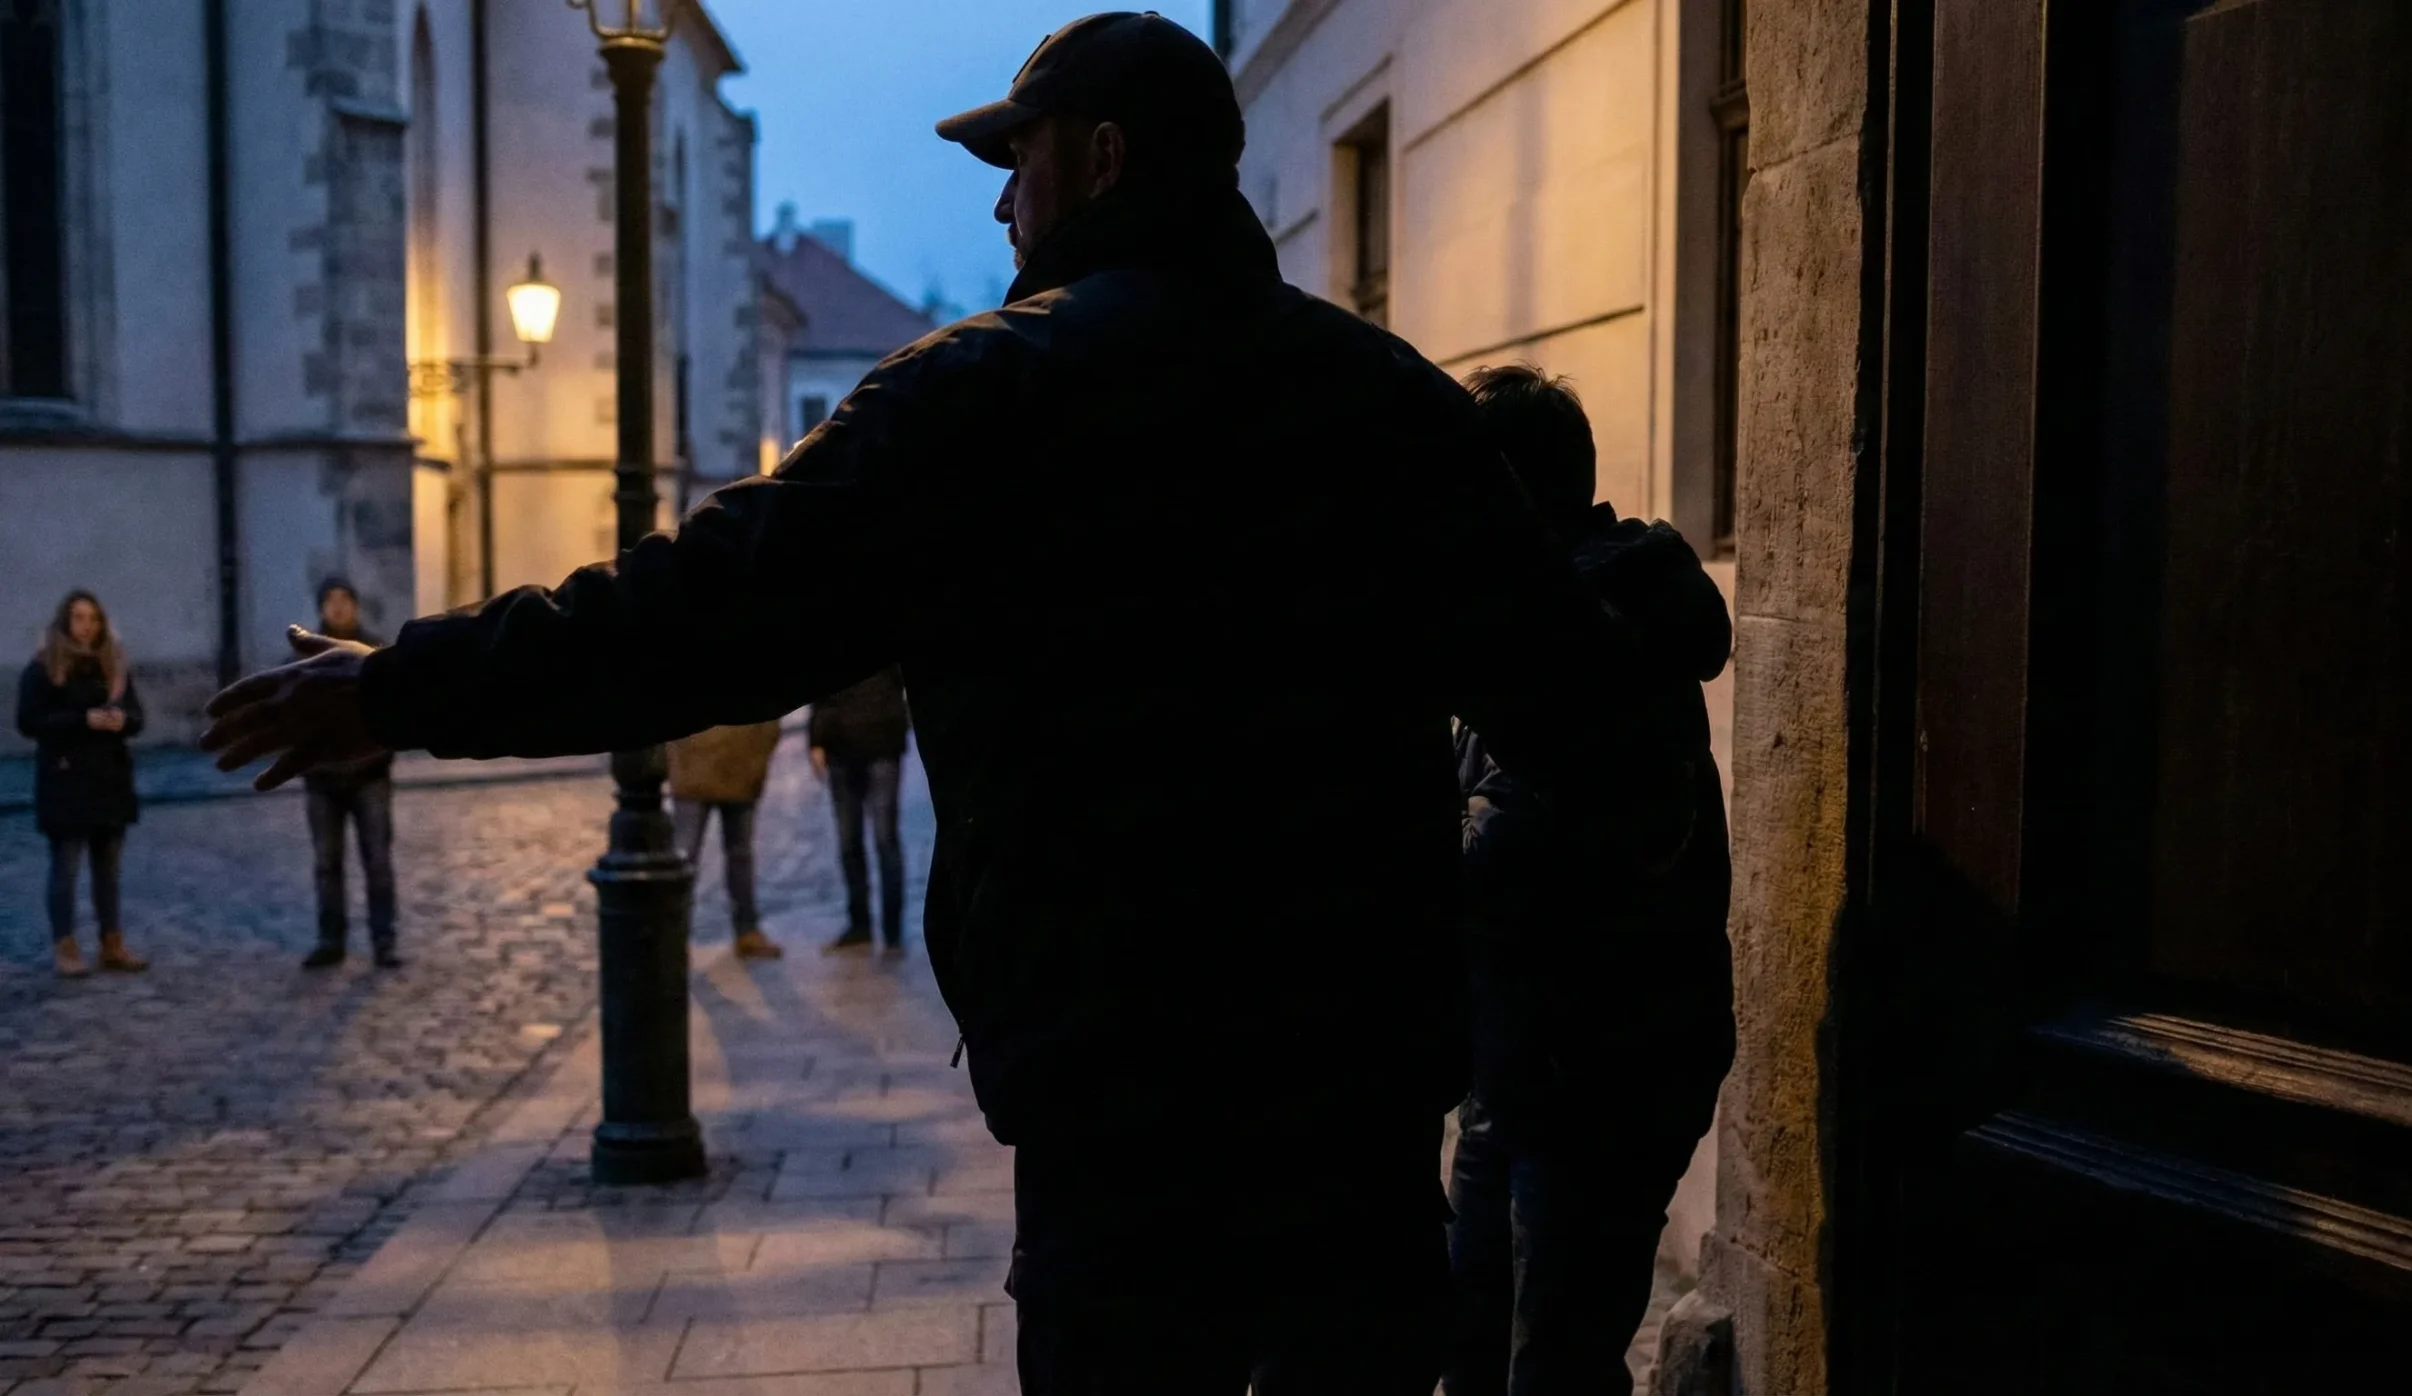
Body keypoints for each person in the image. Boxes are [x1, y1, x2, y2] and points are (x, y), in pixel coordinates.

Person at [200, 13, 1695, 1391]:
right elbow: (1584, 716)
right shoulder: (1390, 402)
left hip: (1118, 1100)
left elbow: (693, 618)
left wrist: (404, 686)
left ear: (1099, 159)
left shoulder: (985, 395)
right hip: (1353, 1098)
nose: (997, 207)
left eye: (1015, 164)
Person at [1441, 367, 1736, 1396]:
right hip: (1527, 1060)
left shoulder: (1603, 624)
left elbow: (1523, 842)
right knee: (1474, 1338)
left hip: (1607, 1069)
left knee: (1550, 1365)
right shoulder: (1529, 612)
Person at [17, 591, 150, 978]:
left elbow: (138, 717)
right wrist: (83, 720)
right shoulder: (44, 667)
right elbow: (30, 721)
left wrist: (120, 721)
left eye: (93, 618)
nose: (86, 626)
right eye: (79, 618)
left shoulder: (114, 665)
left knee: (108, 871)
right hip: (65, 781)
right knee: (66, 869)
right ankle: (66, 945)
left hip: (109, 780)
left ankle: (112, 942)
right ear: (65, 622)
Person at [300, 579, 402, 970]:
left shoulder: (374, 652)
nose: (339, 608)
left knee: (377, 860)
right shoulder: (305, 653)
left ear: (357, 606)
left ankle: (384, 939)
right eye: (331, 601)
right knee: (327, 863)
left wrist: (381, 749)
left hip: (369, 775)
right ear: (321, 608)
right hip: (322, 780)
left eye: (345, 600)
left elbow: (395, 708)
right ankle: (331, 940)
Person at [809, 668, 910, 953]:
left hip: (880, 738)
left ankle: (890, 931)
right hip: (844, 741)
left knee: (883, 839)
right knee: (851, 841)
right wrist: (817, 737)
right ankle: (862, 925)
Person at [666, 719, 785, 959]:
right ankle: (675, 934)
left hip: (738, 765)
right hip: (700, 769)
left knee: (730, 855)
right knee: (688, 857)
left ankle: (742, 929)